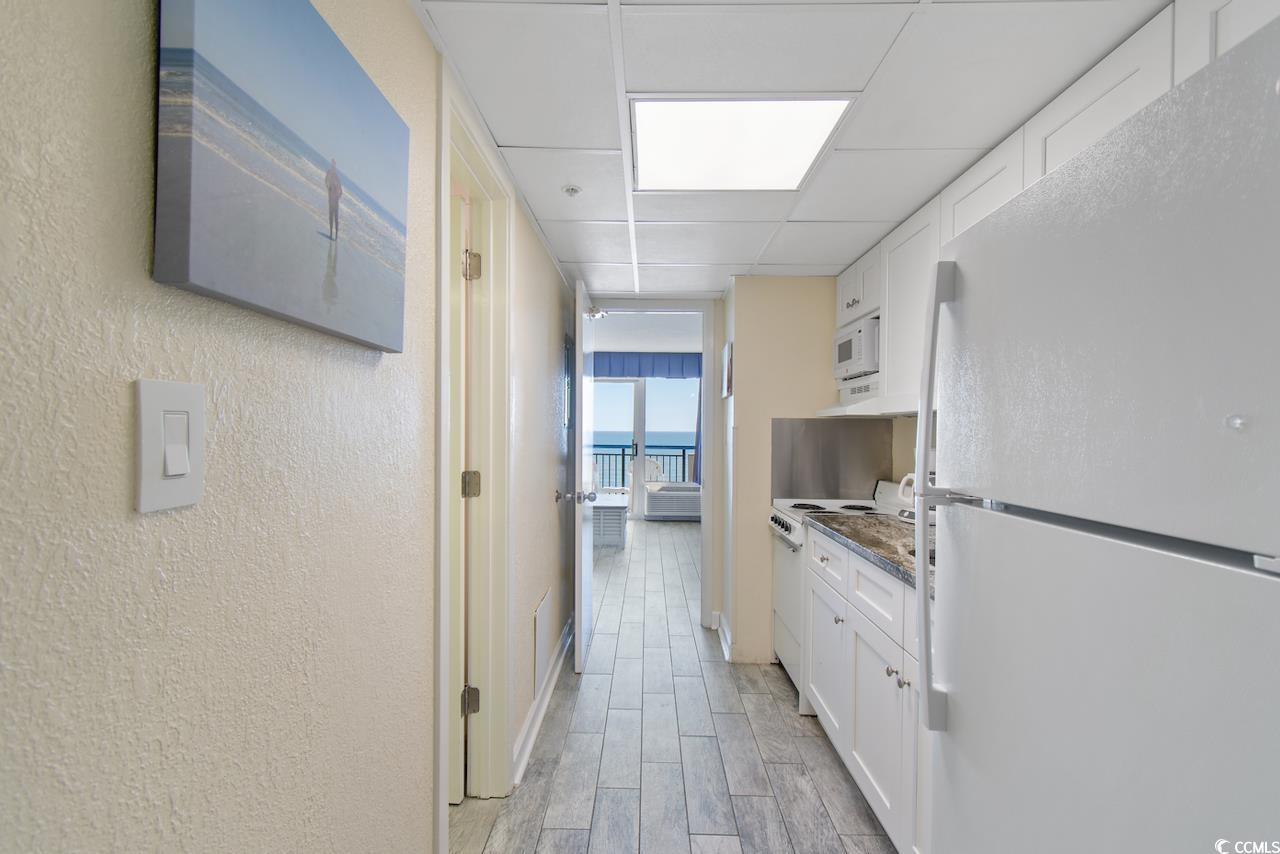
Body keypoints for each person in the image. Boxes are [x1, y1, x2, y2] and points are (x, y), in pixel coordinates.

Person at [325, 158, 343, 240]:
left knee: (336, 217)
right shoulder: (329, 172)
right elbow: (326, 181)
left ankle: (335, 235)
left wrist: (337, 196)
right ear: (331, 165)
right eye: (332, 164)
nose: (333, 166)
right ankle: (331, 233)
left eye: (334, 165)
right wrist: (329, 188)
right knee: (330, 216)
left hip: (335, 200)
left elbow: (341, 191)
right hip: (330, 198)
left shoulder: (336, 176)